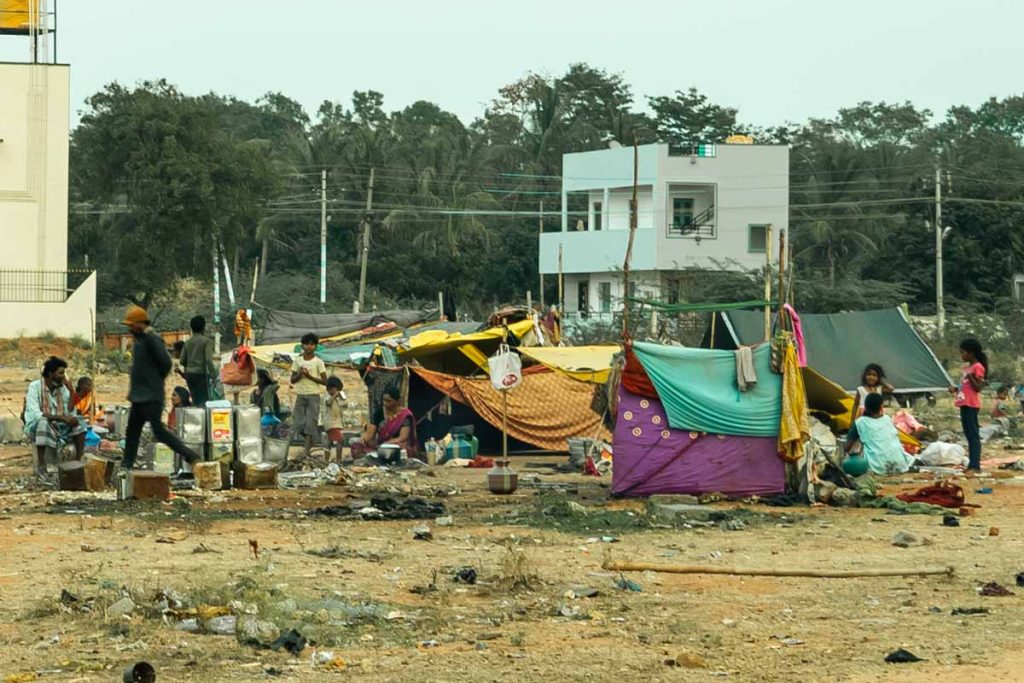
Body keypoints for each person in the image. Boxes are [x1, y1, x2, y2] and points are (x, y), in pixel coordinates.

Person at [120, 305, 200, 471]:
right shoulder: (140, 340)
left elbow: (166, 363)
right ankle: (126, 467)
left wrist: (155, 381)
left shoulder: (152, 339)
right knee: (132, 433)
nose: (130, 328)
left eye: (132, 324)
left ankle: (190, 456)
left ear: (140, 323)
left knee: (159, 432)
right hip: (139, 396)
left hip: (150, 397)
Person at [23, 356, 87, 479]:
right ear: (50, 373)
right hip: (37, 427)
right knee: (42, 422)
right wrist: (62, 418)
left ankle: (78, 463)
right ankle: (42, 466)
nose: (63, 376)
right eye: (60, 373)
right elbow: (36, 414)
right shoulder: (35, 387)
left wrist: (72, 391)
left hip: (59, 426)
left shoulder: (62, 389)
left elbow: (70, 412)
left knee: (80, 422)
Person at [846, 393, 915, 475]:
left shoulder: (860, 423)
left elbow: (847, 447)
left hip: (877, 466)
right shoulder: (887, 419)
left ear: (865, 407)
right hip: (900, 464)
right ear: (881, 407)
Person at [950, 338, 988, 473]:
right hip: (964, 403)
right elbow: (964, 386)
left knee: (973, 435)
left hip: (971, 404)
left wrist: (971, 376)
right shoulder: (967, 368)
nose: (962, 355)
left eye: (963, 352)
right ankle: (972, 464)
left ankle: (975, 465)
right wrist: (956, 389)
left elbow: (978, 387)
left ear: (971, 353)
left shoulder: (978, 367)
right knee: (968, 434)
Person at [350, 385, 417, 459]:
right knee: (356, 446)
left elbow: (403, 437)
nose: (385, 403)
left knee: (404, 450)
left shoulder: (404, 415)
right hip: (380, 446)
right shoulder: (379, 413)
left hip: (396, 446)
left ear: (397, 401)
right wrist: (363, 438)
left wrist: (388, 443)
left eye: (388, 401)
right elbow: (370, 434)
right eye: (384, 400)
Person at [290, 332, 327, 457]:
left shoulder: (319, 362)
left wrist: (309, 376)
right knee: (297, 424)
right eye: (307, 344)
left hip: (313, 396)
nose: (309, 347)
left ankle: (306, 453)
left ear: (315, 346)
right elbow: (292, 380)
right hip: (300, 396)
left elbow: (325, 381)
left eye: (312, 344)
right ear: (303, 346)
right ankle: (309, 446)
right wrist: (300, 374)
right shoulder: (297, 361)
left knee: (311, 425)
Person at [179, 315, 216, 407]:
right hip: (201, 375)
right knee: (204, 401)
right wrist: (213, 375)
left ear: (191, 328)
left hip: (190, 375)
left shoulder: (187, 343)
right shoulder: (207, 342)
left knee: (195, 400)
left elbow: (182, 360)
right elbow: (208, 360)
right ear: (203, 327)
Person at [323, 376, 347, 462]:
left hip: (336, 423)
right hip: (332, 423)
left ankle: (326, 459)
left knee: (329, 442)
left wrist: (342, 399)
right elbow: (328, 403)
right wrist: (334, 395)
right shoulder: (327, 396)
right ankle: (339, 459)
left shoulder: (336, 399)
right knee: (340, 440)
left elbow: (343, 407)